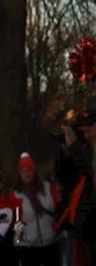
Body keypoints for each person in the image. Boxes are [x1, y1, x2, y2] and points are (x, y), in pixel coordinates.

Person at [58, 108, 96, 265]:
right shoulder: (84, 152)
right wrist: (64, 150)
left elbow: (90, 167)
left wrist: (74, 146)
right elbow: (65, 179)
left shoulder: (84, 154)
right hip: (82, 234)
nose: (85, 131)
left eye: (91, 124)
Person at [15, 152, 61, 266]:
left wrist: (58, 227)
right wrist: (18, 240)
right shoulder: (15, 195)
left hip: (50, 243)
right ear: (19, 173)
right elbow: (15, 220)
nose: (26, 174)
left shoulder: (48, 188)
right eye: (23, 171)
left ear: (34, 171)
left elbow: (59, 208)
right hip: (28, 246)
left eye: (29, 170)